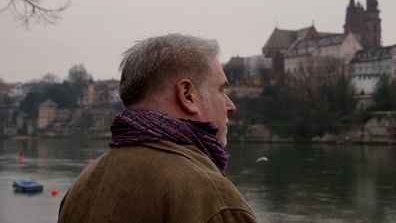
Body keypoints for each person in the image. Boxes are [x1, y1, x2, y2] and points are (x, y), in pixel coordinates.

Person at [58, 34, 257, 223]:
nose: (231, 106)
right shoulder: (211, 197)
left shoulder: (81, 186)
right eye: (221, 90)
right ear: (187, 95)